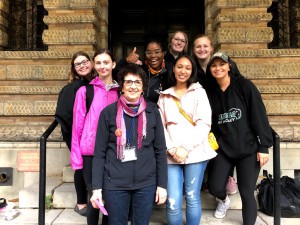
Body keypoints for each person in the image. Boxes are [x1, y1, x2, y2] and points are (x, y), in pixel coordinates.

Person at [90, 63, 168, 225]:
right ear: (122, 87)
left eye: (137, 82)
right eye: (128, 82)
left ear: (143, 87)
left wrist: (162, 185)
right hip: (115, 184)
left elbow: (160, 150)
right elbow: (99, 153)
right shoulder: (108, 113)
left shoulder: (153, 111)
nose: (133, 86)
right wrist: (97, 188)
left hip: (145, 183)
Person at [206, 51, 273, 224]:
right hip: (224, 149)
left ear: (229, 66)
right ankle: (224, 201)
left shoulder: (244, 85)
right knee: (214, 187)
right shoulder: (210, 92)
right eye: (214, 65)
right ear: (210, 69)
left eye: (222, 64)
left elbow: (259, 115)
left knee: (246, 191)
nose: (218, 68)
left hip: (248, 149)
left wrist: (263, 146)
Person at [157, 54, 217, 225]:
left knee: (192, 196)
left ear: (192, 71)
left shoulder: (199, 92)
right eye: (180, 66)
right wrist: (172, 149)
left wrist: (185, 148)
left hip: (196, 153)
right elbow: (160, 127)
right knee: (173, 200)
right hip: (171, 155)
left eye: (187, 68)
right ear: (174, 68)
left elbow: (204, 124)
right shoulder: (164, 96)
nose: (183, 71)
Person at [71, 49, 119, 225]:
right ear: (94, 65)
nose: (102, 66)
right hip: (90, 152)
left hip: (114, 151)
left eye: (106, 62)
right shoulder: (85, 91)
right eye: (98, 63)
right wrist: (77, 159)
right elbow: (77, 126)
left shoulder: (121, 91)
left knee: (111, 195)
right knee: (94, 197)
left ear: (113, 64)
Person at [192, 34, 238, 194]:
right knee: (205, 146)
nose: (202, 49)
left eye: (205, 46)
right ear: (193, 50)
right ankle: (205, 181)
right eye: (198, 46)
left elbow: (236, 86)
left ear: (211, 48)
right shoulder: (192, 69)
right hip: (201, 117)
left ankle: (227, 177)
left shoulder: (223, 65)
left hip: (222, 115)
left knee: (223, 146)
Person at [55, 51, 98, 216]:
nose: (82, 65)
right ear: (73, 68)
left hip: (90, 135)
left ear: (91, 63)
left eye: (85, 61)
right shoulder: (74, 87)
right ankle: (81, 203)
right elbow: (64, 114)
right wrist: (76, 137)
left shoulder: (94, 83)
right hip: (76, 135)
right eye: (78, 64)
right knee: (80, 167)